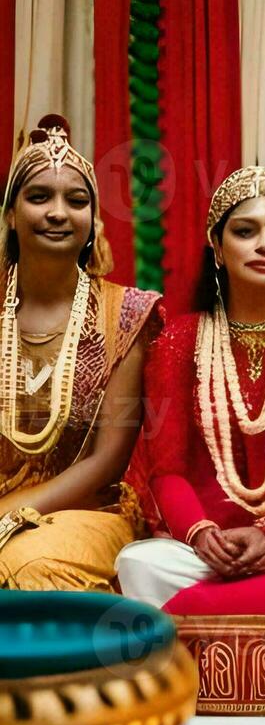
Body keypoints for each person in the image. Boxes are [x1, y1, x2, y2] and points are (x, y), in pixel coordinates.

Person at [115, 167, 265, 618]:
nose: (264, 244)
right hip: (203, 553)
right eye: (245, 231)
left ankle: (205, 620)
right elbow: (166, 470)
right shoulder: (178, 341)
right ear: (217, 246)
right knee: (137, 562)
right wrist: (201, 535)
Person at [0, 115, 161, 590]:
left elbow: (108, 460)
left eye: (77, 201)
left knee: (27, 566)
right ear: (10, 214)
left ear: (93, 220)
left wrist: (7, 515)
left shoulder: (126, 313)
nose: (58, 213)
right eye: (38, 197)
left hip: (87, 511)